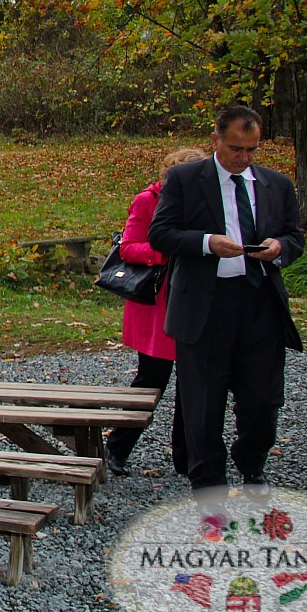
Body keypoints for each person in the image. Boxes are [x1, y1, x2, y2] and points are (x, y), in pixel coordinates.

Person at [148, 105, 304, 493]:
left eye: (252, 150)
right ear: (215, 140)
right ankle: (207, 477)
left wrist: (279, 247)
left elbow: (295, 238)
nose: (243, 158)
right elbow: (161, 234)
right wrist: (206, 244)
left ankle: (252, 462)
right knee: (202, 401)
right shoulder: (186, 179)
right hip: (205, 304)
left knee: (263, 399)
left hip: (260, 302)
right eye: (236, 148)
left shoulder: (276, 185)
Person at [102, 147, 206, 477]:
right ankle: (117, 448)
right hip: (158, 304)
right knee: (152, 381)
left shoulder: (208, 203)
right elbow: (129, 248)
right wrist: (168, 250)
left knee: (194, 384)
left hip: (196, 300)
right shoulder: (147, 200)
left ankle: (187, 457)